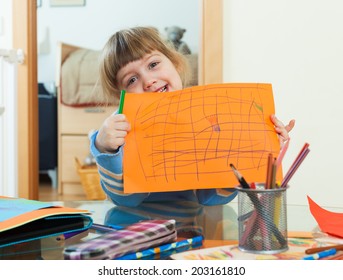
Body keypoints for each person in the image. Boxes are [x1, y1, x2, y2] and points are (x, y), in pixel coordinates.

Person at [90, 26, 295, 207]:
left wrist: (265, 142)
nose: (149, 81)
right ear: (121, 96)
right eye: (132, 79)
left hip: (193, 226)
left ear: (175, 63)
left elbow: (212, 198)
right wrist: (104, 147)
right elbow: (127, 200)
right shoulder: (119, 128)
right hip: (133, 228)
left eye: (153, 65)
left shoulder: (205, 114)